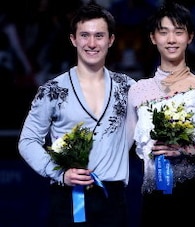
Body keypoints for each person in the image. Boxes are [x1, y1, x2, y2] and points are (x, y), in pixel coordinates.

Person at [18, 1, 136, 226]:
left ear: (111, 40)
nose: (91, 43)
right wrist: (60, 173)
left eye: (99, 35)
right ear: (73, 39)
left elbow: (144, 130)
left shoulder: (127, 87)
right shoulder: (52, 90)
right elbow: (27, 141)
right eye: (84, 35)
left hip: (113, 199)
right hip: (68, 198)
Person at [126, 1, 195, 227]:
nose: (171, 40)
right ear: (152, 37)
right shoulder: (138, 90)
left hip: (193, 198)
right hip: (153, 199)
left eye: (179, 32)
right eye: (164, 32)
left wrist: (184, 148)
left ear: (190, 37)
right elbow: (122, 146)